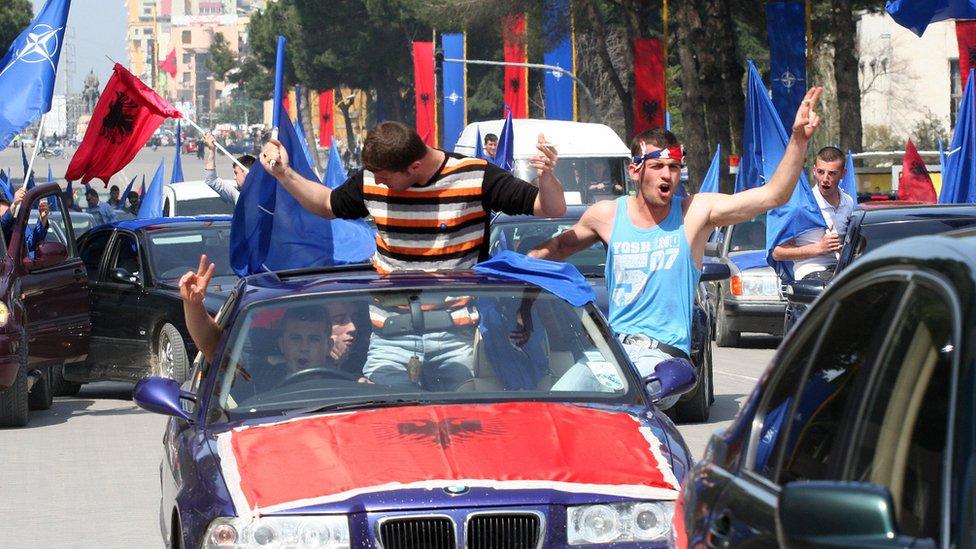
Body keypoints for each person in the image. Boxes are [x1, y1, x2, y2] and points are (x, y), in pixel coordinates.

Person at [528, 87, 824, 392]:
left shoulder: (695, 213)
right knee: (558, 404)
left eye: (673, 167)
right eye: (657, 166)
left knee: (633, 407)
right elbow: (558, 247)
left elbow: (773, 194)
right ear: (635, 171)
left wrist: (798, 140)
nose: (667, 175)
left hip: (662, 360)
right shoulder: (607, 215)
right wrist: (511, 274)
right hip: (614, 354)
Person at [771, 146, 855, 281]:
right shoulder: (802, 206)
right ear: (814, 171)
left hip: (841, 270)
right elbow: (777, 253)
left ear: (843, 174)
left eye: (832, 173)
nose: (825, 179)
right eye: (821, 172)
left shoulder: (848, 202)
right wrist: (819, 248)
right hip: (811, 272)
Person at [204, 133, 257, 205]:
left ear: (247, 173)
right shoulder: (237, 195)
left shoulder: (267, 196)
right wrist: (212, 150)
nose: (234, 178)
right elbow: (211, 180)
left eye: (236, 173)